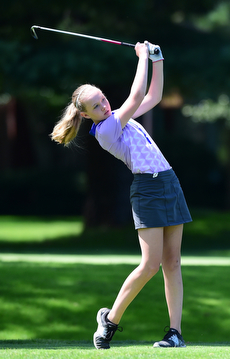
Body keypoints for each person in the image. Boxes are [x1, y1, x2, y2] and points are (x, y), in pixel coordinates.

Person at [50, 41, 192, 350]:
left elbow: (153, 96)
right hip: (148, 191)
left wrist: (158, 59)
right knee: (150, 264)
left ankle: (175, 333)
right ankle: (110, 320)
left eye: (102, 98)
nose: (104, 105)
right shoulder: (106, 130)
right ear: (87, 116)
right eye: (97, 106)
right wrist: (141, 57)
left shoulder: (119, 116)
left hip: (169, 182)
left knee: (173, 261)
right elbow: (137, 95)